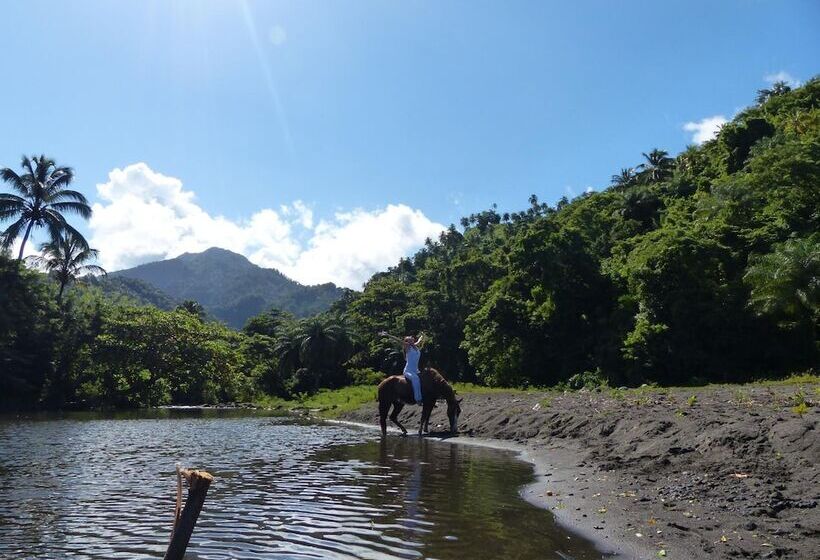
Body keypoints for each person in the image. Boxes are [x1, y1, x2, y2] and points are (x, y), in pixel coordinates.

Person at [380, 331, 425, 404]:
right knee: (415, 379)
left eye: (412, 338)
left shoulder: (415, 346)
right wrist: (387, 334)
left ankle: (427, 397)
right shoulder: (407, 347)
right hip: (408, 371)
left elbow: (419, 340)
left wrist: (422, 335)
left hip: (416, 371)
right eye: (409, 339)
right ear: (407, 342)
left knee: (425, 380)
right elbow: (398, 340)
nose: (412, 338)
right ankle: (418, 400)